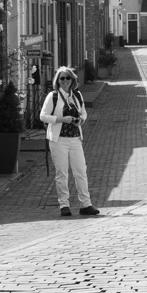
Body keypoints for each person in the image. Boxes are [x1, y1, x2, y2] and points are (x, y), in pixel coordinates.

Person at [40, 67, 100, 217]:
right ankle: (64, 205)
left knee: (81, 172)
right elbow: (43, 116)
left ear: (72, 80)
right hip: (58, 140)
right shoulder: (53, 96)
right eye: (62, 78)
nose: (65, 81)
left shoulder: (77, 95)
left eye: (68, 78)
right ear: (58, 81)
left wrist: (80, 120)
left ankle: (86, 204)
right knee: (62, 173)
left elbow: (83, 113)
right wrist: (61, 119)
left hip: (75, 139)